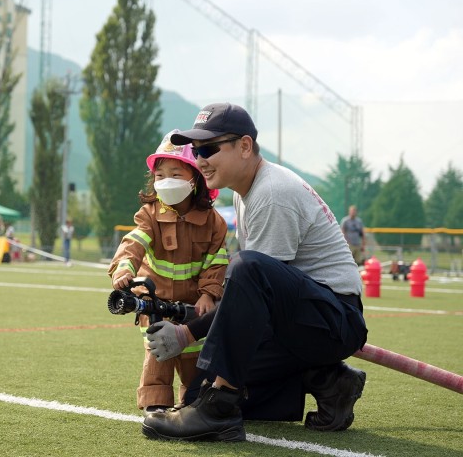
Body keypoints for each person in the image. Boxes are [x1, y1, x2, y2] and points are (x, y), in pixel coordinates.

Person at [141, 103, 368, 441]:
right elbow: (249, 304)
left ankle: (219, 411)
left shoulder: (272, 194)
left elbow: (253, 287)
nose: (199, 158)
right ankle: (330, 381)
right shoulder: (246, 194)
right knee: (197, 392)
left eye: (209, 148)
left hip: (333, 320)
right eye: (197, 149)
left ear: (245, 147)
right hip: (301, 321)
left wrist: (187, 334)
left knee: (246, 268)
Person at [108, 130, 230, 415]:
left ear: (195, 178)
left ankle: (193, 405)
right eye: (160, 175)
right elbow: (133, 243)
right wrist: (124, 269)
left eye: (175, 173)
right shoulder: (149, 214)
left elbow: (217, 261)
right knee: (157, 355)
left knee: (194, 361)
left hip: (192, 308)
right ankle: (155, 405)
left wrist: (209, 295)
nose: (166, 181)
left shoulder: (214, 222)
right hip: (156, 304)